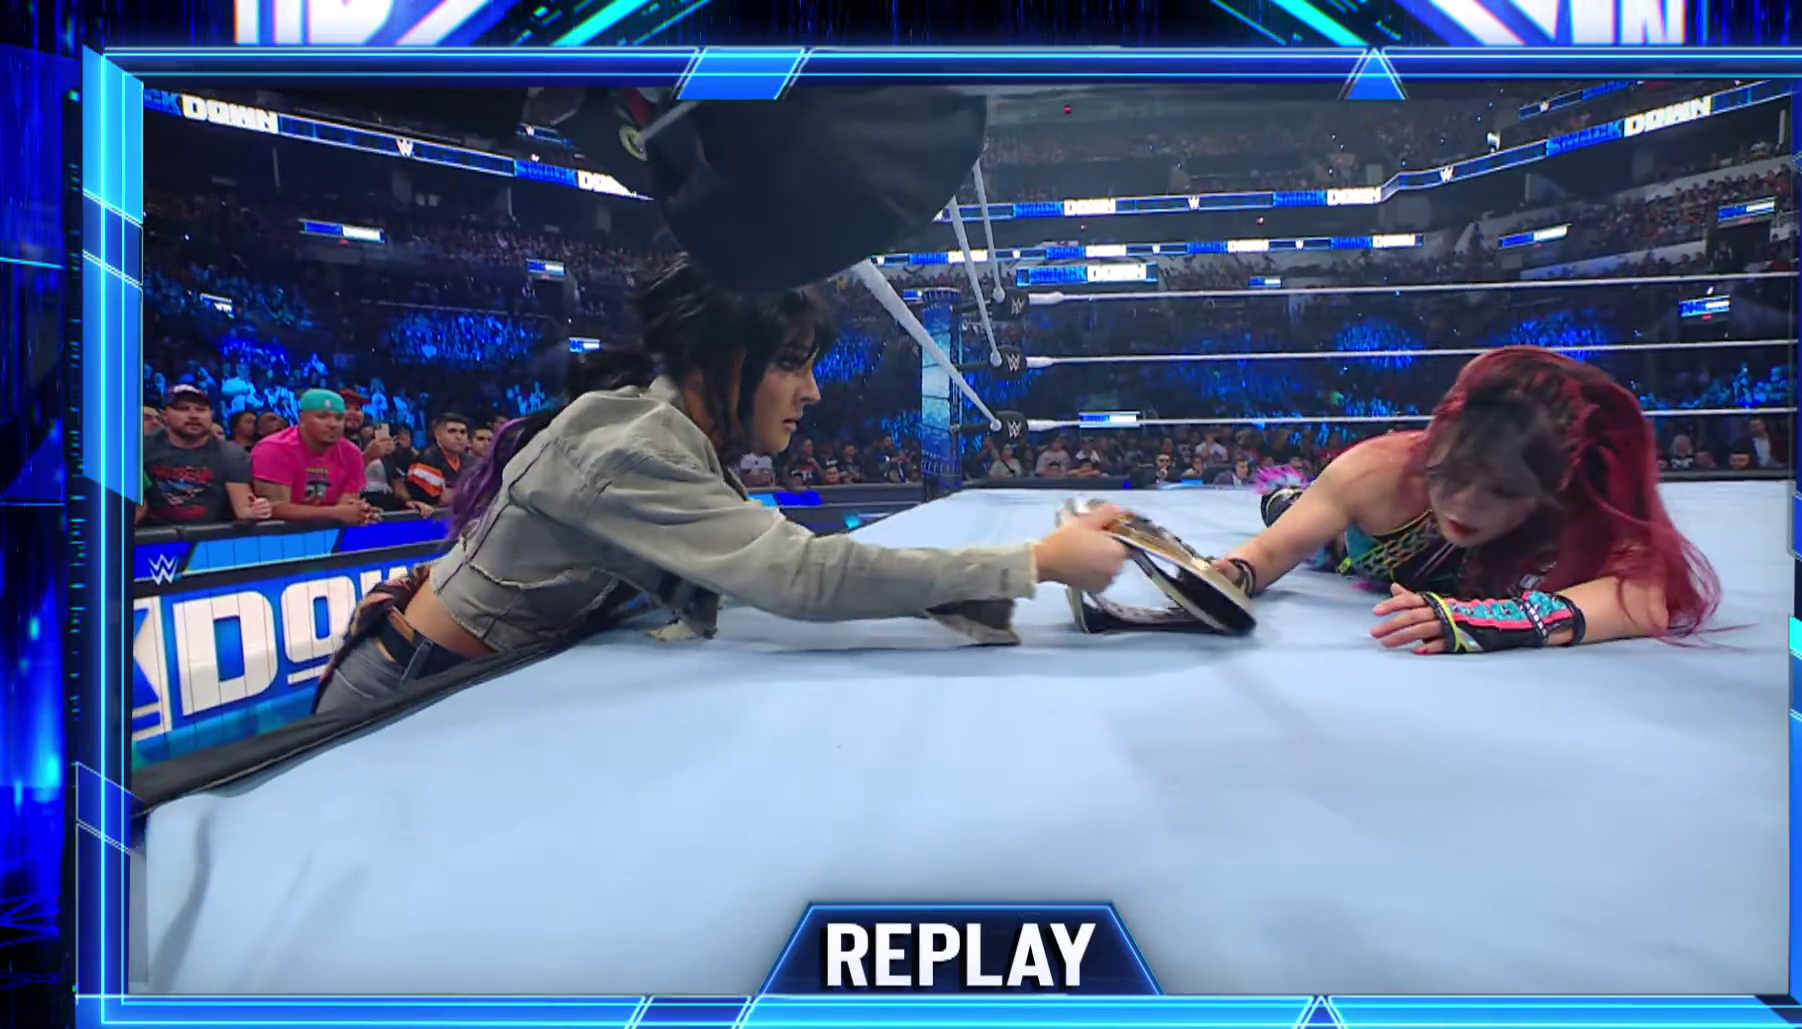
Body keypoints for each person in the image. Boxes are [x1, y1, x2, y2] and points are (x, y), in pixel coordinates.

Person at [313, 258, 1129, 710]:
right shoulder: (634, 447)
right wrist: (1034, 563)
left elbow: (783, 563)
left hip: (461, 678)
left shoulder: (674, 435)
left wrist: (968, 595)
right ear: (720, 362)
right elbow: (803, 576)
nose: (812, 392)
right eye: (790, 365)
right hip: (411, 693)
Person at [1219, 346, 1720, 654]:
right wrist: (1222, 577)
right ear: (1436, 450)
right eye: (1452, 476)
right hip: (1353, 545)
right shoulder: (1377, 471)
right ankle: (1289, 499)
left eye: (1502, 489)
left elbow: (1643, 600)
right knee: (1304, 524)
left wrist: (1503, 623)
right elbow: (1264, 556)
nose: (1465, 504)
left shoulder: (1577, 500)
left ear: (1551, 486)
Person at [136, 385, 271, 526]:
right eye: (183, 409)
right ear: (165, 415)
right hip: (150, 535)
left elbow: (243, 508)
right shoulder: (139, 449)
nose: (194, 415)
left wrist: (256, 510)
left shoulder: (231, 454)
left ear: (211, 414)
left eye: (201, 409)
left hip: (211, 536)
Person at [251, 389, 381, 525]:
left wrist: (357, 513)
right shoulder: (273, 449)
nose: (332, 424)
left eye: (339, 418)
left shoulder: (351, 453)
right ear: (302, 418)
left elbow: (347, 509)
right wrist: (336, 513)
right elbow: (274, 509)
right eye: (322, 417)